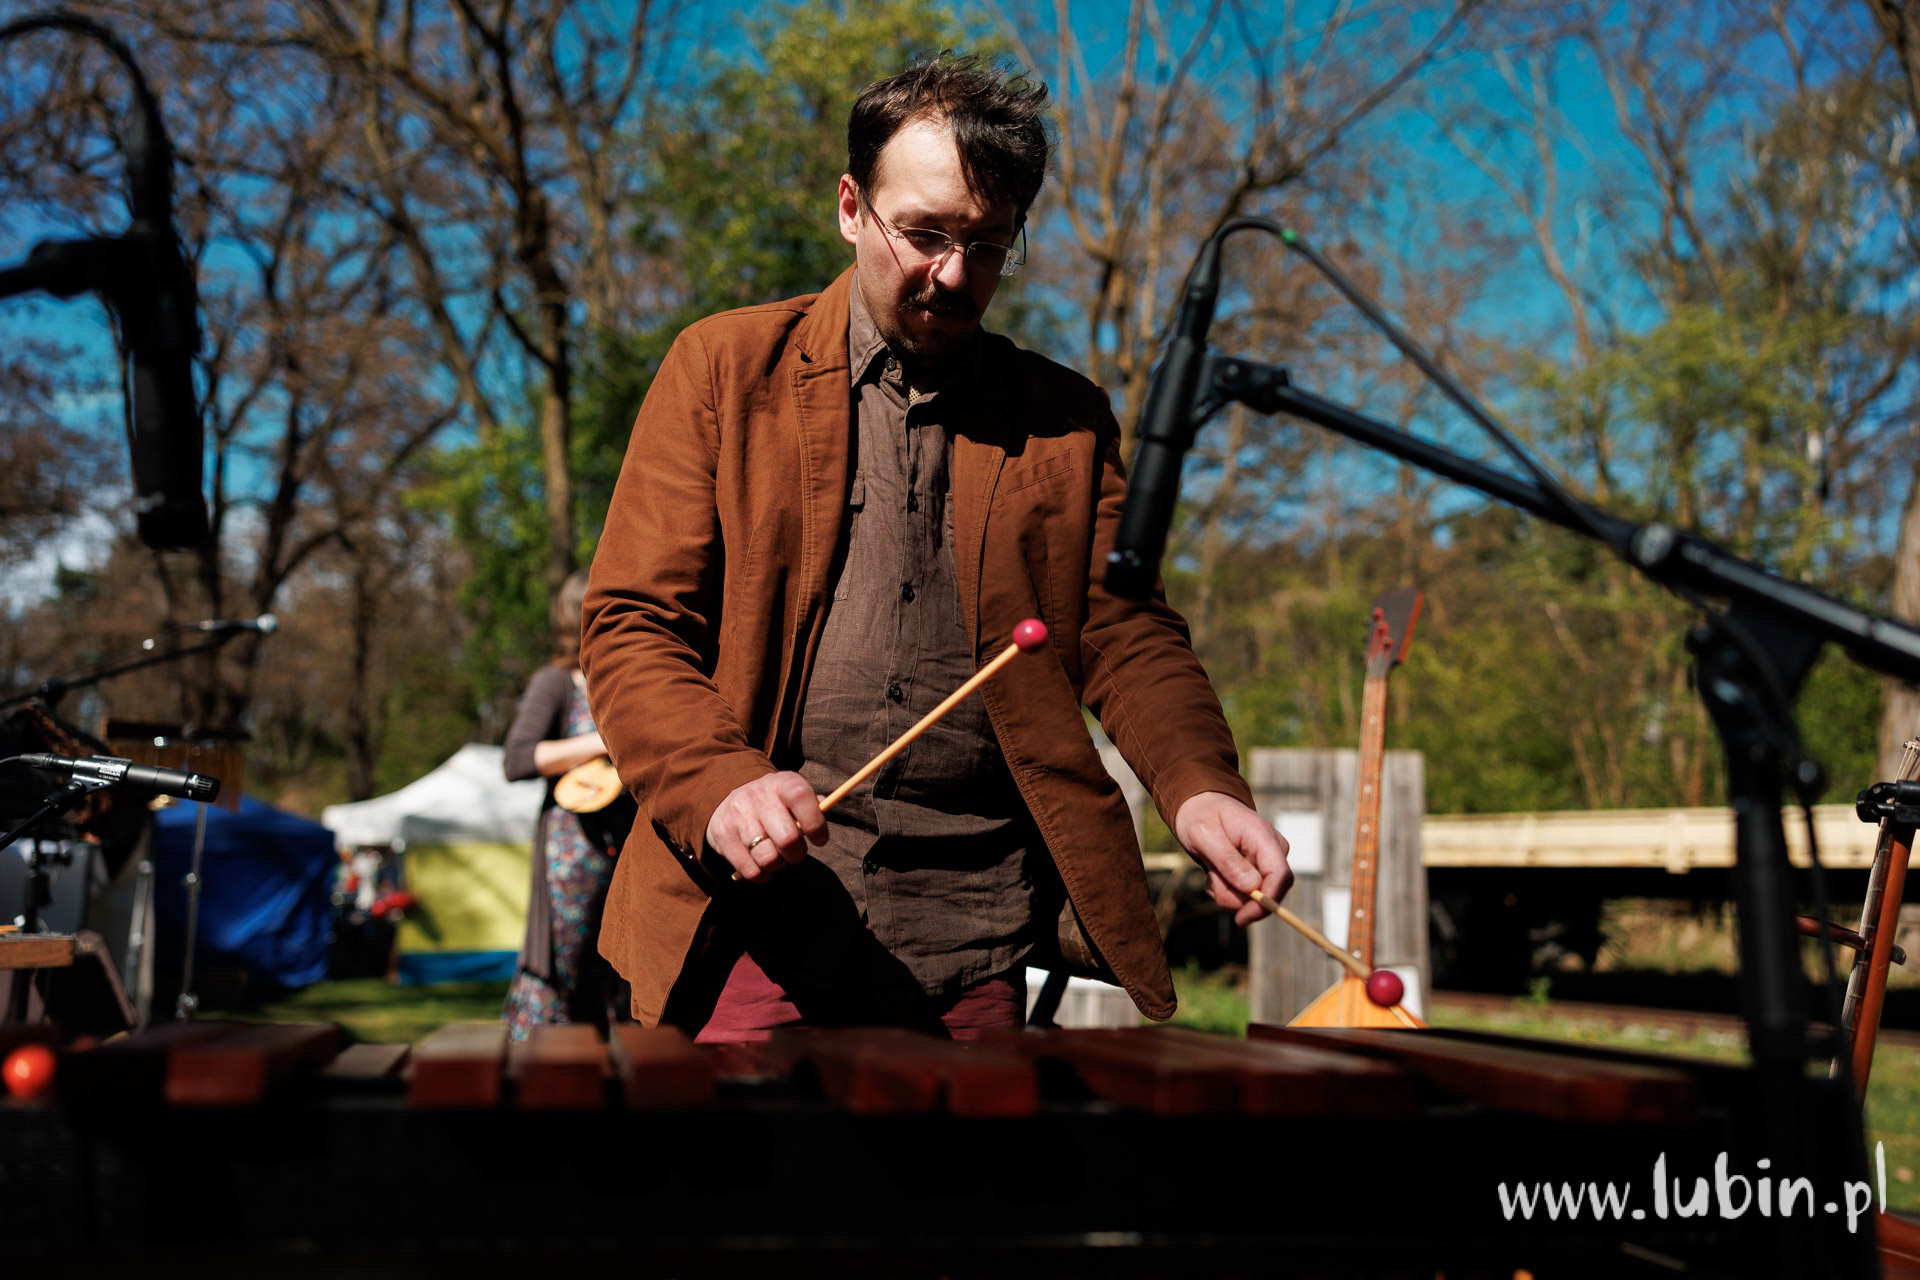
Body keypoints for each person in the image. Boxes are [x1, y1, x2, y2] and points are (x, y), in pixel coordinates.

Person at [581, 54, 1291, 1040]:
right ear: (851, 208)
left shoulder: (1064, 420)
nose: (953, 275)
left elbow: (1127, 635)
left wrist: (1201, 786)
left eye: (987, 246)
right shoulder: (724, 371)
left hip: (971, 941)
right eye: (924, 235)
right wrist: (719, 782)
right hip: (754, 924)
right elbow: (631, 627)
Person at [501, 570, 631, 1039]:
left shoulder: (631, 681)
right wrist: (602, 742)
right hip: (573, 850)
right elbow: (518, 758)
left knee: (626, 971)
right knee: (568, 965)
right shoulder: (556, 681)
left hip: (629, 845)